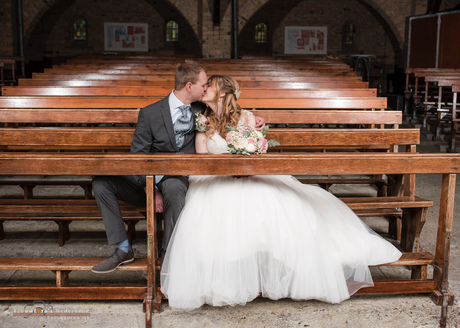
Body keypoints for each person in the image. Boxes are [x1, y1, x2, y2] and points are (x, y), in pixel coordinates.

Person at [160, 75, 402, 310]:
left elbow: (255, 152)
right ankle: (228, 276)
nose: (204, 89)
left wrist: (245, 160)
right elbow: (202, 157)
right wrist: (226, 165)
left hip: (249, 175)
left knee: (277, 202)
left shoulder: (247, 117)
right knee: (218, 211)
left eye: (209, 85)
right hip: (214, 178)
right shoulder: (202, 119)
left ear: (222, 92)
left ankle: (280, 268)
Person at [91, 61, 264, 274]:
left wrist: (253, 120)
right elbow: (137, 157)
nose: (206, 88)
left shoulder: (203, 108)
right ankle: (123, 247)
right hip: (151, 179)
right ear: (189, 86)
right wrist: (150, 189)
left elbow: (229, 111)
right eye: (204, 84)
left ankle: (169, 256)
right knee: (101, 181)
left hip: (178, 178)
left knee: (173, 187)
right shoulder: (150, 113)